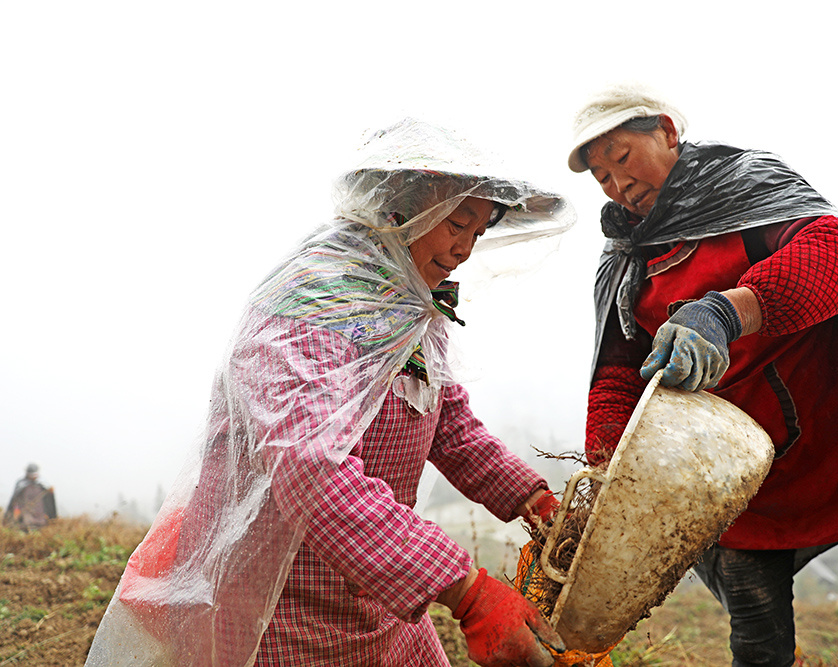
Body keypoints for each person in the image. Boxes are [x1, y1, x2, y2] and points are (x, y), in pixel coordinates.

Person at [86, 118, 574, 667]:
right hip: (279, 598)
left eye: (477, 233)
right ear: (397, 212)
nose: (464, 248)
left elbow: (449, 424)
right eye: (456, 223)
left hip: (375, 581)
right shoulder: (313, 303)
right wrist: (466, 589)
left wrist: (535, 501)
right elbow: (309, 465)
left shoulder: (413, 304)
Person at [568, 82, 838, 667]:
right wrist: (605, 476)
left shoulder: (746, 188)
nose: (619, 185)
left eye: (622, 158)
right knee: (759, 648)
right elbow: (617, 377)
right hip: (737, 485)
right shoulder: (628, 260)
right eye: (601, 177)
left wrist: (726, 311)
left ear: (667, 132)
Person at [4, 463, 55, 531]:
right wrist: (13, 513)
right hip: (26, 512)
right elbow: (15, 499)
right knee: (26, 527)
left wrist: (50, 492)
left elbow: (49, 500)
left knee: (40, 529)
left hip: (40, 513)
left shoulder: (42, 484)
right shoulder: (21, 483)